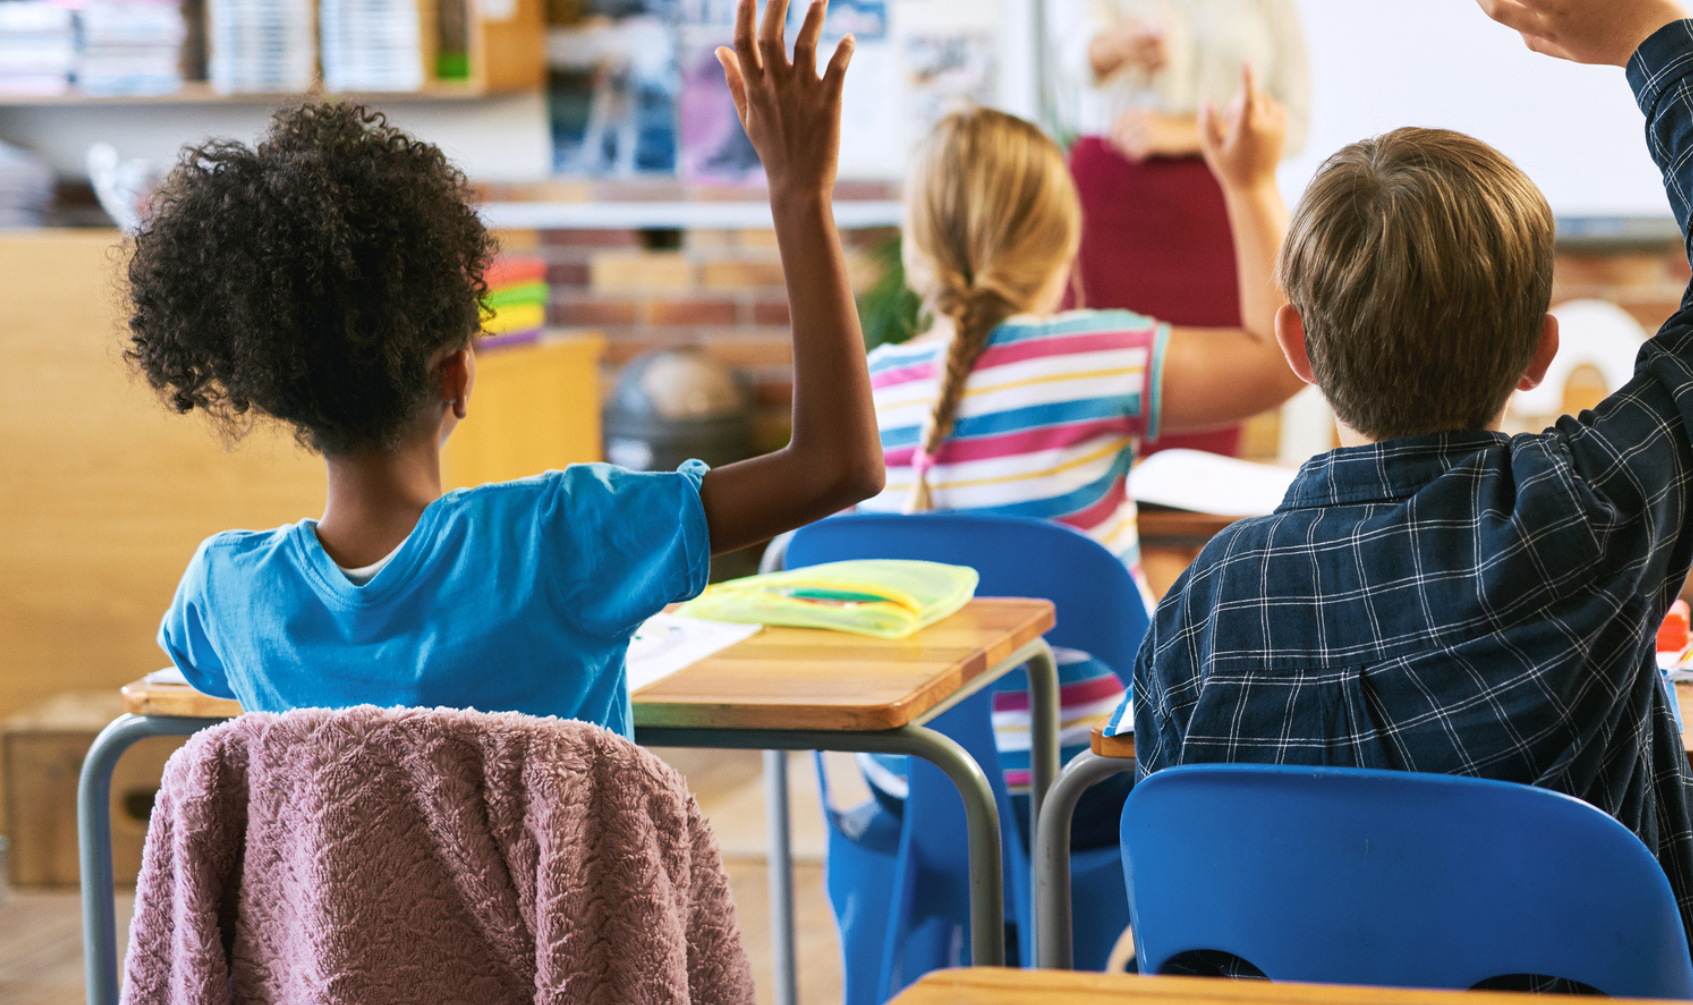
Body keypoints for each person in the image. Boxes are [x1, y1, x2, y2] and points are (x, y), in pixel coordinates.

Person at [1129, 0, 1693, 1000]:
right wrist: (1652, 30)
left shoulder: (1198, 617)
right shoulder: (1578, 522)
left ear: (1297, 349)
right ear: (1542, 353)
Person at [137, 0, 883, 739]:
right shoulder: (562, 542)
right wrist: (799, 194)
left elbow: (200, 663)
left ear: (281, 394)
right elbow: (838, 467)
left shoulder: (228, 592)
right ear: (457, 374)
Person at [851, 70, 1305, 840]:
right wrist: (1250, 180)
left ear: (919, 247)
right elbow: (1287, 354)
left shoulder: (869, 390)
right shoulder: (1096, 356)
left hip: (912, 788)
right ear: (1064, 242)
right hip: (1083, 786)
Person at [1057, 0, 1310, 456]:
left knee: (1231, 386)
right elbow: (1072, 55)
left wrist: (1187, 132)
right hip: (1112, 203)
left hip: (1220, 208)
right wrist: (1120, 45)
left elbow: (1294, 117)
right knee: (1096, 397)